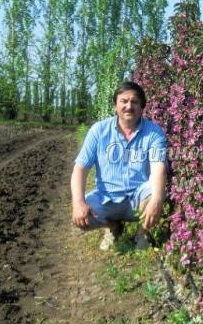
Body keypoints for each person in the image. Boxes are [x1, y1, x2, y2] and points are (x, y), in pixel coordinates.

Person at [71, 81, 168, 251]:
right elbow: (80, 168)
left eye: (134, 102)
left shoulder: (154, 133)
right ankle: (113, 226)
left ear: (142, 107)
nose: (128, 106)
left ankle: (142, 233)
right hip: (106, 197)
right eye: (124, 101)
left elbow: (158, 168)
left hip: (137, 197)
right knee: (79, 218)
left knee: (156, 192)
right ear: (115, 105)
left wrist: (158, 200)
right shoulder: (99, 131)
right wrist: (78, 203)